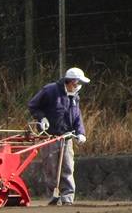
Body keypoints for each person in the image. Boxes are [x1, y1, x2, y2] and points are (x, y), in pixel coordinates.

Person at [27, 67, 90, 205]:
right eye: (78, 83)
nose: (79, 87)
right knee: (51, 168)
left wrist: (80, 132)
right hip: (49, 137)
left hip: (67, 137)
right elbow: (33, 105)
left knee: (67, 167)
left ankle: (67, 197)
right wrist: (41, 118)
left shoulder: (75, 97)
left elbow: (77, 116)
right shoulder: (50, 90)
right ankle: (53, 196)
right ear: (72, 82)